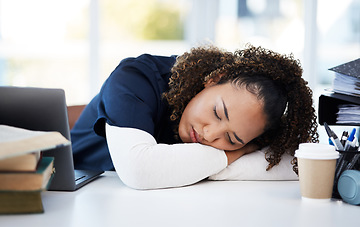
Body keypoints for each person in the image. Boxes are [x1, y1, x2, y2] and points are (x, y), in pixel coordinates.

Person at [70, 44, 318, 189]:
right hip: (81, 193)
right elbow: (140, 170)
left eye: (231, 139)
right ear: (213, 80)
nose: (209, 134)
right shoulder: (136, 78)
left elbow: (298, 165)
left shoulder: (250, 126)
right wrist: (235, 153)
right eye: (217, 113)